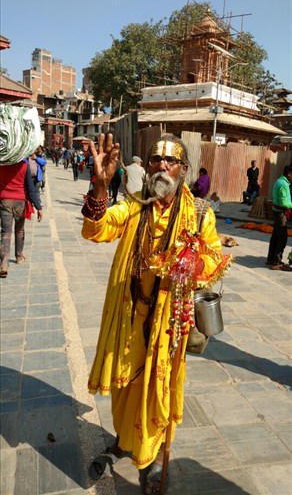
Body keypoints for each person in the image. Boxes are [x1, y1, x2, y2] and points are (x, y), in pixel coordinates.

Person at [81, 133, 232, 493]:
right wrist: (101, 189)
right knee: (123, 386)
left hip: (168, 324)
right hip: (129, 315)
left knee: (158, 389)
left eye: (171, 161)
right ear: (147, 167)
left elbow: (214, 259)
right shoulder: (135, 205)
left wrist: (189, 259)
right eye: (155, 161)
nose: (162, 167)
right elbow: (96, 229)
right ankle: (123, 440)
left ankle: (149, 457)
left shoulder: (198, 213)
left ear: (183, 169)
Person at [0, 159, 43, 277]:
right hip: (20, 202)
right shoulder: (24, 165)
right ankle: (19, 256)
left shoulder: (2, 165)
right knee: (19, 230)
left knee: (5, 233)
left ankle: (4, 263)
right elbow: (31, 189)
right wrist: (38, 206)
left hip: (5, 201)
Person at [266, 165, 292, 271]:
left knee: (276, 236)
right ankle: (277, 261)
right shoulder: (283, 184)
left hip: (277, 212)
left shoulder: (279, 181)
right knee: (282, 237)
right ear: (289, 174)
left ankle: (270, 258)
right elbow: (283, 202)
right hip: (280, 213)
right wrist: (291, 205)